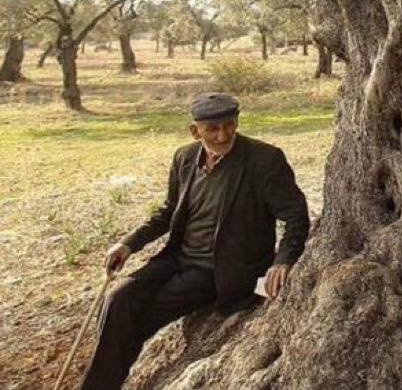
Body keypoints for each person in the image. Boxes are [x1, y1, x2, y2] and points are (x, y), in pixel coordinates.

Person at [80, 93, 310, 390]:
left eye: (229, 125)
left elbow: (295, 215)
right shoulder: (185, 157)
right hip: (176, 258)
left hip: (219, 270)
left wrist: (284, 259)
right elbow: (167, 212)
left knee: (136, 317)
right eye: (212, 129)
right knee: (117, 300)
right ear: (195, 131)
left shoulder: (264, 160)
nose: (223, 134)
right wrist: (128, 244)